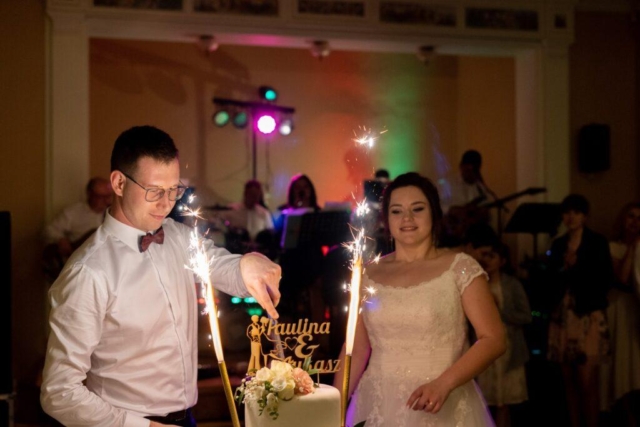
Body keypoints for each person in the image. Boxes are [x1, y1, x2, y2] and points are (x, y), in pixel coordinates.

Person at [40, 126, 282, 427]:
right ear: (118, 183)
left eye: (174, 190)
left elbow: (222, 266)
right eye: (154, 191)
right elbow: (59, 392)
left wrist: (248, 264)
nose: (166, 203)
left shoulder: (178, 236)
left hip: (186, 417)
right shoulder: (88, 272)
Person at [334, 172, 505, 426]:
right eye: (396, 211)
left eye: (417, 209)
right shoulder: (367, 274)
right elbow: (356, 350)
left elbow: (494, 339)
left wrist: (444, 383)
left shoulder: (460, 267)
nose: (407, 218)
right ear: (386, 219)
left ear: (434, 213)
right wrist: (332, 408)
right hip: (378, 402)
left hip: (442, 400)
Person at [546, 194, 613, 427]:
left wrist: (577, 266)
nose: (571, 217)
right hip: (563, 316)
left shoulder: (597, 242)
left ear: (585, 215)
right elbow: (550, 280)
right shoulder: (558, 244)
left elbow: (604, 279)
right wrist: (563, 267)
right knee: (569, 382)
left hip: (588, 315)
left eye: (576, 212)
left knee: (587, 381)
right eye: (567, 212)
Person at [476, 240, 531, 427]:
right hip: (484, 348)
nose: (487, 260)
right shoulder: (479, 283)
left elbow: (526, 316)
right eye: (485, 256)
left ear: (502, 261)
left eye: (492, 256)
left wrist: (500, 310)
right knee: (486, 401)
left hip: (509, 348)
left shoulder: (511, 284)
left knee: (505, 402)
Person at [601, 202, 640, 424]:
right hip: (619, 307)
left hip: (636, 307)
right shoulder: (612, 247)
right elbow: (623, 278)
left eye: (639, 218)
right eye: (631, 216)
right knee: (621, 360)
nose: (635, 222)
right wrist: (633, 247)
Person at [42, 177, 113, 279]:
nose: (105, 201)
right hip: (79, 267)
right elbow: (49, 230)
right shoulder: (74, 212)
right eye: (100, 197)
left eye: (108, 196)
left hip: (106, 266)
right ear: (89, 194)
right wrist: (61, 240)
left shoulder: (113, 214)